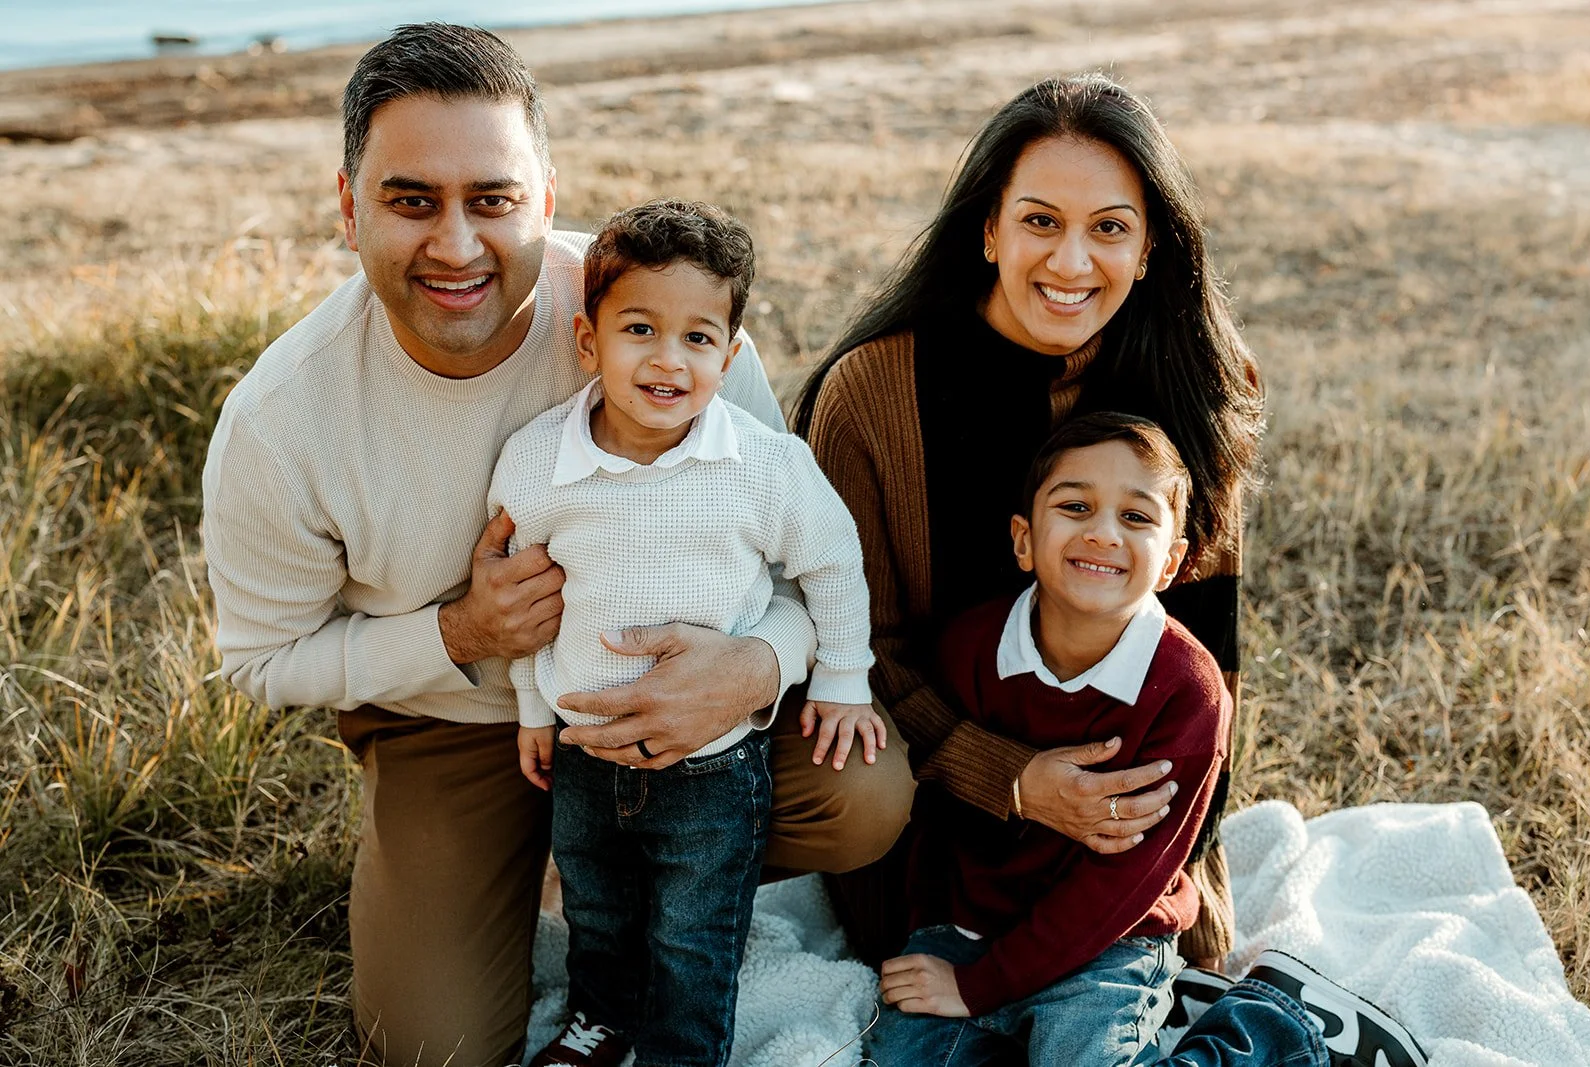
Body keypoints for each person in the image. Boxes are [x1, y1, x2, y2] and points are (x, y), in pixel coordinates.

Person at [199, 24, 912, 1067]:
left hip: (687, 702)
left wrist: (757, 664)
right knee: (427, 1043)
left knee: (863, 794)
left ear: (543, 198)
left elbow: (800, 563)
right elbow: (260, 662)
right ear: (348, 207)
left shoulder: (666, 319)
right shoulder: (280, 423)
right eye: (411, 200)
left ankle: (647, 883)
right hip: (448, 719)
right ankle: (502, 867)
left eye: (491, 198)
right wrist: (462, 629)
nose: (455, 244)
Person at [795, 74, 1426, 1066]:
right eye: (1040, 220)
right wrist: (1010, 779)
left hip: (1118, 826)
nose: (1072, 260)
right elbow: (853, 651)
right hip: (937, 804)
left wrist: (1160, 848)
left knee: (1131, 986)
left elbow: (1207, 660)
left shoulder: (1196, 384)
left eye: (1110, 228)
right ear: (988, 230)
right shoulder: (872, 391)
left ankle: (1278, 1034)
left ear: (1150, 248)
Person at [490, 199, 885, 1067]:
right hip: (584, 754)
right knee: (597, 905)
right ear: (589, 342)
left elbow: (832, 560)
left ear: (731, 354)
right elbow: (526, 600)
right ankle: (600, 1018)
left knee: (693, 927)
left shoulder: (763, 466)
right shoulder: (537, 461)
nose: (669, 359)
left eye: (699, 338)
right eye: (641, 329)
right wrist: (529, 707)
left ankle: (682, 1048)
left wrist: (844, 678)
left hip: (714, 768)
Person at [868, 412, 1229, 1065]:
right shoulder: (972, 647)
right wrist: (932, 941)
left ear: (1173, 560)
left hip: (1109, 939)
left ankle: (1271, 1033)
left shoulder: (1186, 689)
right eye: (1076, 505)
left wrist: (983, 987)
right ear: (1024, 539)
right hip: (971, 925)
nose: (1102, 532)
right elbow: (937, 808)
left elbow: (1126, 880)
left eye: (1137, 517)